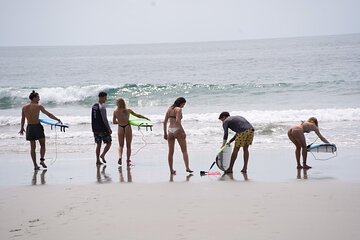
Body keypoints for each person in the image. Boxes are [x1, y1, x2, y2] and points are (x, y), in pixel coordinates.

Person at [19, 90, 62, 170]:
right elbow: (48, 114)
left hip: (29, 127)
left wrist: (22, 128)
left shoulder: (24, 107)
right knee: (42, 144)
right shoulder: (39, 106)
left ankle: (35, 165)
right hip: (37, 127)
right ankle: (42, 160)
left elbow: (23, 119)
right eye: (38, 97)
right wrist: (57, 119)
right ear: (34, 98)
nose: (39, 98)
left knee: (32, 147)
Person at [112, 97, 150, 166]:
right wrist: (145, 118)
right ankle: (128, 161)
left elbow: (114, 122)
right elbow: (137, 115)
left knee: (120, 145)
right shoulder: (128, 110)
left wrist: (120, 122)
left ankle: (120, 157)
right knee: (128, 145)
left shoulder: (115, 112)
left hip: (120, 127)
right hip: (127, 127)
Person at [163, 97, 193, 174]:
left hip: (170, 131)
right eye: (183, 104)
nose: (183, 106)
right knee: (184, 151)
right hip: (177, 130)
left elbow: (164, 122)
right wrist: (183, 131)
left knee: (170, 152)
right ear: (181, 103)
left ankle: (171, 170)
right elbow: (177, 121)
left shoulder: (169, 109)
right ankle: (187, 168)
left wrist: (165, 133)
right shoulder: (178, 109)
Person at [91, 91, 112, 165]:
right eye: (105, 98)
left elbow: (93, 118)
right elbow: (104, 119)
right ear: (101, 97)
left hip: (95, 128)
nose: (105, 100)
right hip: (102, 129)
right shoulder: (102, 107)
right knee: (109, 143)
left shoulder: (94, 106)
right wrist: (109, 128)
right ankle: (102, 155)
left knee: (98, 144)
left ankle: (97, 160)